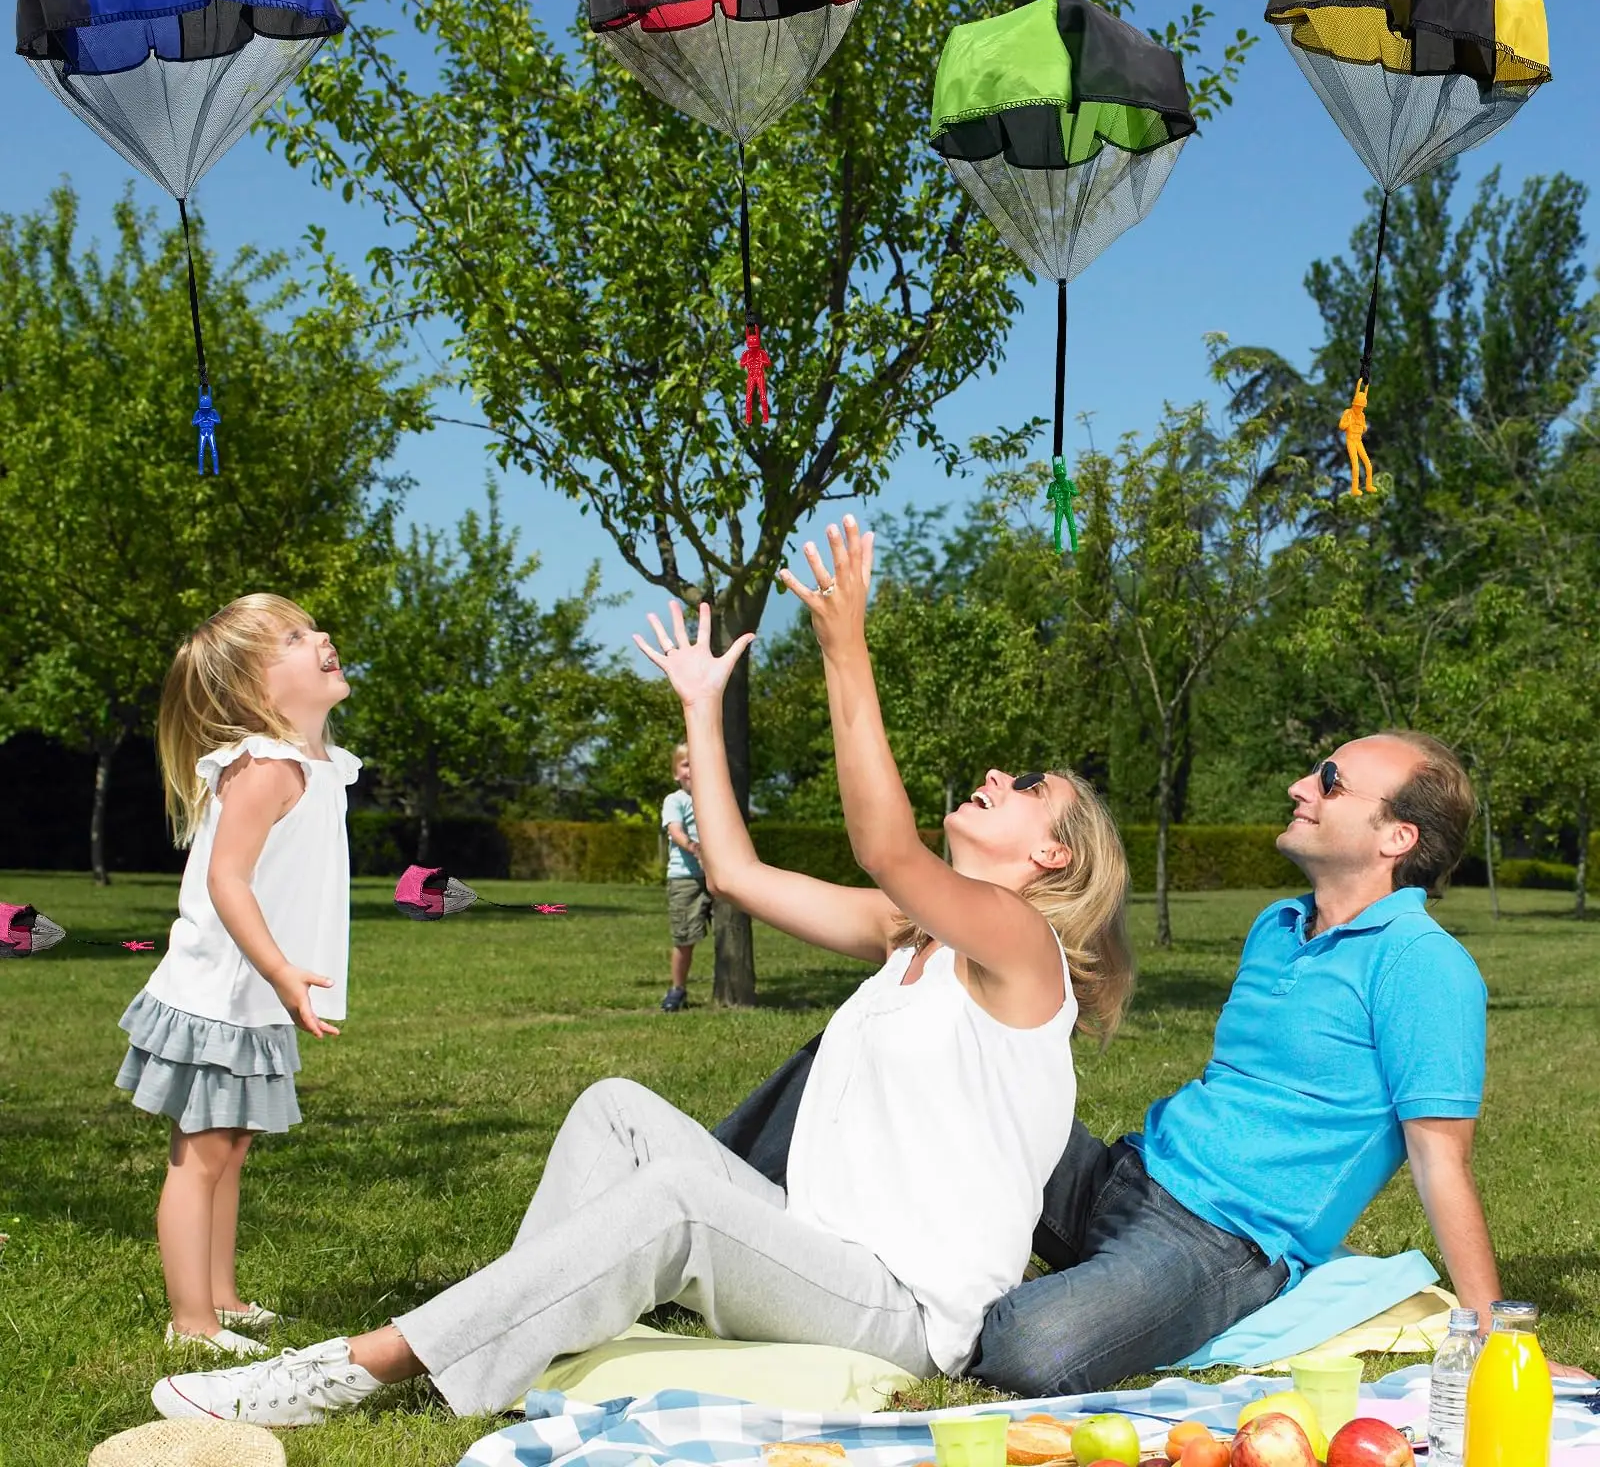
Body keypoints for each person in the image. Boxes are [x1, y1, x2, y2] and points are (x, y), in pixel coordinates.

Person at [149, 515, 1133, 1426]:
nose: (998, 777)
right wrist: (702, 707)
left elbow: (886, 847)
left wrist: (845, 646)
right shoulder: (907, 936)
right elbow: (735, 873)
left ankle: (347, 1372)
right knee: (617, 1108)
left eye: (1028, 787)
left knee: (677, 1199)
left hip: (901, 1310)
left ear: (1053, 856)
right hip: (812, 1242)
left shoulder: (1018, 947)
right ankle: (505, 1328)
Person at [715, 730, 1594, 1389]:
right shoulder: (1277, 926)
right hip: (1123, 1174)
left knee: (1027, 1348)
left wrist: (1496, 1342)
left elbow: (1444, 1162)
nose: (1300, 785)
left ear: (1397, 837)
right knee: (880, 1047)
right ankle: (718, 1205)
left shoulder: (1424, 966)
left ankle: (850, 1292)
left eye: (1330, 781)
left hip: (1219, 1244)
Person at [116, 594, 360, 1357]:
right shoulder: (267, 768)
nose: (320, 636)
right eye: (293, 636)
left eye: (311, 626)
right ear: (257, 691)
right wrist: (283, 969)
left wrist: (286, 979)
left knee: (233, 1146)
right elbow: (228, 880)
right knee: (202, 1157)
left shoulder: (316, 766)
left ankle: (223, 1298)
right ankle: (192, 1323)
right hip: (220, 995)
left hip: (254, 997)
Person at [659, 740, 710, 1012]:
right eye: (686, 764)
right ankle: (677, 989)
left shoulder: (714, 798)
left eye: (698, 764)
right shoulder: (675, 800)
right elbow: (675, 831)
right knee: (685, 938)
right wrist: (694, 847)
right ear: (676, 773)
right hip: (685, 878)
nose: (692, 770)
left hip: (717, 877)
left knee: (728, 932)